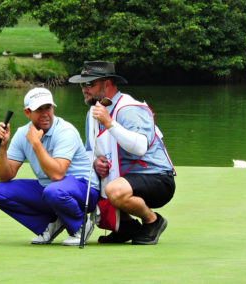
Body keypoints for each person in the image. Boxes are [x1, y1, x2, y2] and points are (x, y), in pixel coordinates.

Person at [69, 61, 176, 245]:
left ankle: (152, 221)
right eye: (82, 84)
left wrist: (109, 123)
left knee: (114, 189)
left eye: (89, 84)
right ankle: (127, 226)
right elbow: (89, 151)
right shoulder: (93, 113)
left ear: (107, 83)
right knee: (89, 179)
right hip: (124, 179)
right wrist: (95, 162)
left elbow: (140, 147)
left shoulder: (129, 108)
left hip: (157, 178)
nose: (84, 89)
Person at [0, 87, 99, 246]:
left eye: (49, 108)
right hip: (51, 191)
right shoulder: (21, 134)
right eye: (39, 109)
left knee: (54, 190)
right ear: (27, 112)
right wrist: (3, 147)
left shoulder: (65, 131)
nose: (45, 113)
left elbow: (57, 174)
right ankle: (50, 223)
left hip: (84, 190)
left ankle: (81, 225)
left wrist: (36, 143)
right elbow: (5, 176)